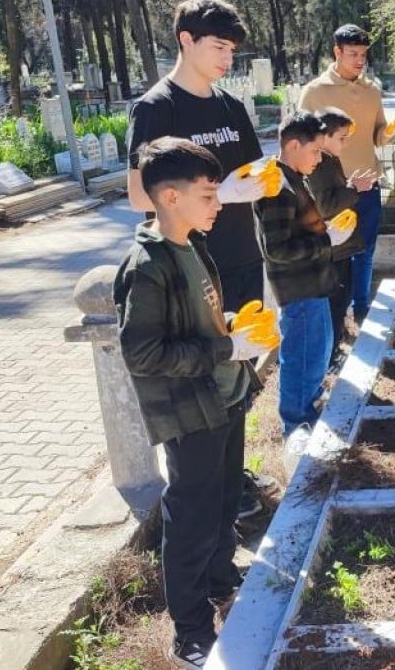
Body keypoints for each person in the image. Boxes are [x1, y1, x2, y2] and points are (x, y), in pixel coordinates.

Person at [114, 137, 278, 669]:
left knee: (226, 500)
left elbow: (198, 320)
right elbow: (142, 353)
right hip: (190, 412)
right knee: (192, 520)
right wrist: (226, 346)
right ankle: (189, 631)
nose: (217, 204)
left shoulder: (192, 244)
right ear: (168, 196)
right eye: (208, 195)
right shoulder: (147, 265)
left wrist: (231, 328)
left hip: (223, 398)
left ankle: (222, 579)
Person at [126, 0, 275, 519]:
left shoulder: (231, 108)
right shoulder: (156, 109)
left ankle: (232, 474)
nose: (227, 59)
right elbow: (139, 196)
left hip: (238, 256)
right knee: (199, 374)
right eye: (218, 47)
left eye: (233, 50)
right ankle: (197, 492)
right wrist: (221, 193)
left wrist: (254, 186)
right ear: (185, 41)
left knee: (238, 372)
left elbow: (254, 174)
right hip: (186, 267)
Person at [252, 112, 357, 465]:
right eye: (315, 151)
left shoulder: (293, 177)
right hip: (299, 288)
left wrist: (325, 233)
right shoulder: (276, 186)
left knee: (317, 355)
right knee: (302, 358)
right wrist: (327, 240)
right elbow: (277, 250)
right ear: (293, 145)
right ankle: (297, 430)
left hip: (314, 283)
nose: (319, 159)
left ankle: (309, 418)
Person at [297, 23, 395, 327]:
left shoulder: (372, 90)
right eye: (353, 54)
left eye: (363, 54)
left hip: (367, 183)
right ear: (337, 52)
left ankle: (361, 306)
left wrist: (389, 132)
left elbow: (377, 137)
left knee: (365, 248)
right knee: (333, 250)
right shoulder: (315, 92)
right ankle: (334, 313)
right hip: (329, 188)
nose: (360, 60)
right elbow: (302, 138)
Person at [306, 107, 365, 356]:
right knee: (334, 303)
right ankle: (329, 354)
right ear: (325, 136)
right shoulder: (319, 164)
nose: (346, 143)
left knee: (341, 300)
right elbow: (325, 205)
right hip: (332, 247)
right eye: (341, 137)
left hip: (340, 246)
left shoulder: (329, 160)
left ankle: (335, 346)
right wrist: (353, 189)